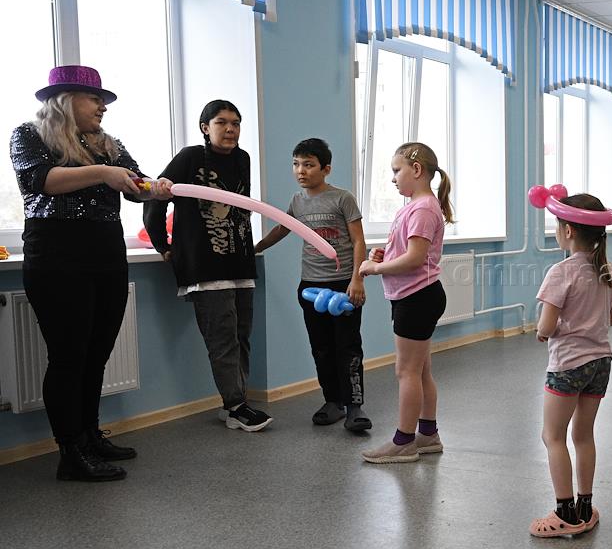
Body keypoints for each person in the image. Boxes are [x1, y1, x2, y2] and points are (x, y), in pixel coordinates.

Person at [9, 65, 172, 481]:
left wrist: (155, 186)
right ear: (65, 100)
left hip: (106, 254)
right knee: (69, 356)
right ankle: (71, 452)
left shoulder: (109, 144)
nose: (103, 107)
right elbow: (41, 181)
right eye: (95, 99)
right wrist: (103, 172)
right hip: (57, 258)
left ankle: (89, 436)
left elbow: (135, 186)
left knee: (97, 354)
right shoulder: (29, 135)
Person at [144, 100, 271, 431]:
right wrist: (163, 245)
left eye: (236, 123)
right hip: (204, 265)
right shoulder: (189, 158)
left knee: (242, 336)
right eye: (222, 122)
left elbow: (240, 207)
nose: (230, 129)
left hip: (240, 262)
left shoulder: (243, 159)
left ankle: (234, 403)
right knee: (222, 338)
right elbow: (155, 198)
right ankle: (237, 405)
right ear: (205, 127)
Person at [255, 138, 370, 431]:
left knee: (347, 347)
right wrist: (256, 248)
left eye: (308, 164)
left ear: (325, 168)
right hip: (311, 286)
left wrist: (357, 279)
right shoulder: (297, 201)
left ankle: (354, 406)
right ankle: (333, 402)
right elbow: (283, 228)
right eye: (296, 164)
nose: (300, 171)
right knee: (321, 347)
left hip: (343, 285)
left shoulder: (342, 198)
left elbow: (358, 240)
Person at [530, 194, 612, 538]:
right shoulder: (607, 269)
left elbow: (546, 325)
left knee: (552, 435)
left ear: (568, 230)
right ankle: (585, 507)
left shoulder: (561, 272)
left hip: (568, 364)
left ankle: (565, 513)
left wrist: (544, 332)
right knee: (583, 435)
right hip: (601, 363)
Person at [358, 142, 452, 464]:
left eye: (397, 171)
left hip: (417, 297)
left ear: (417, 170)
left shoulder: (423, 208)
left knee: (406, 371)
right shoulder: (414, 207)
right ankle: (428, 434)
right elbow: (407, 252)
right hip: (414, 295)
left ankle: (404, 442)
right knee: (420, 369)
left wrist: (375, 269)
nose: (393, 178)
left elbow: (415, 259)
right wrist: (384, 256)